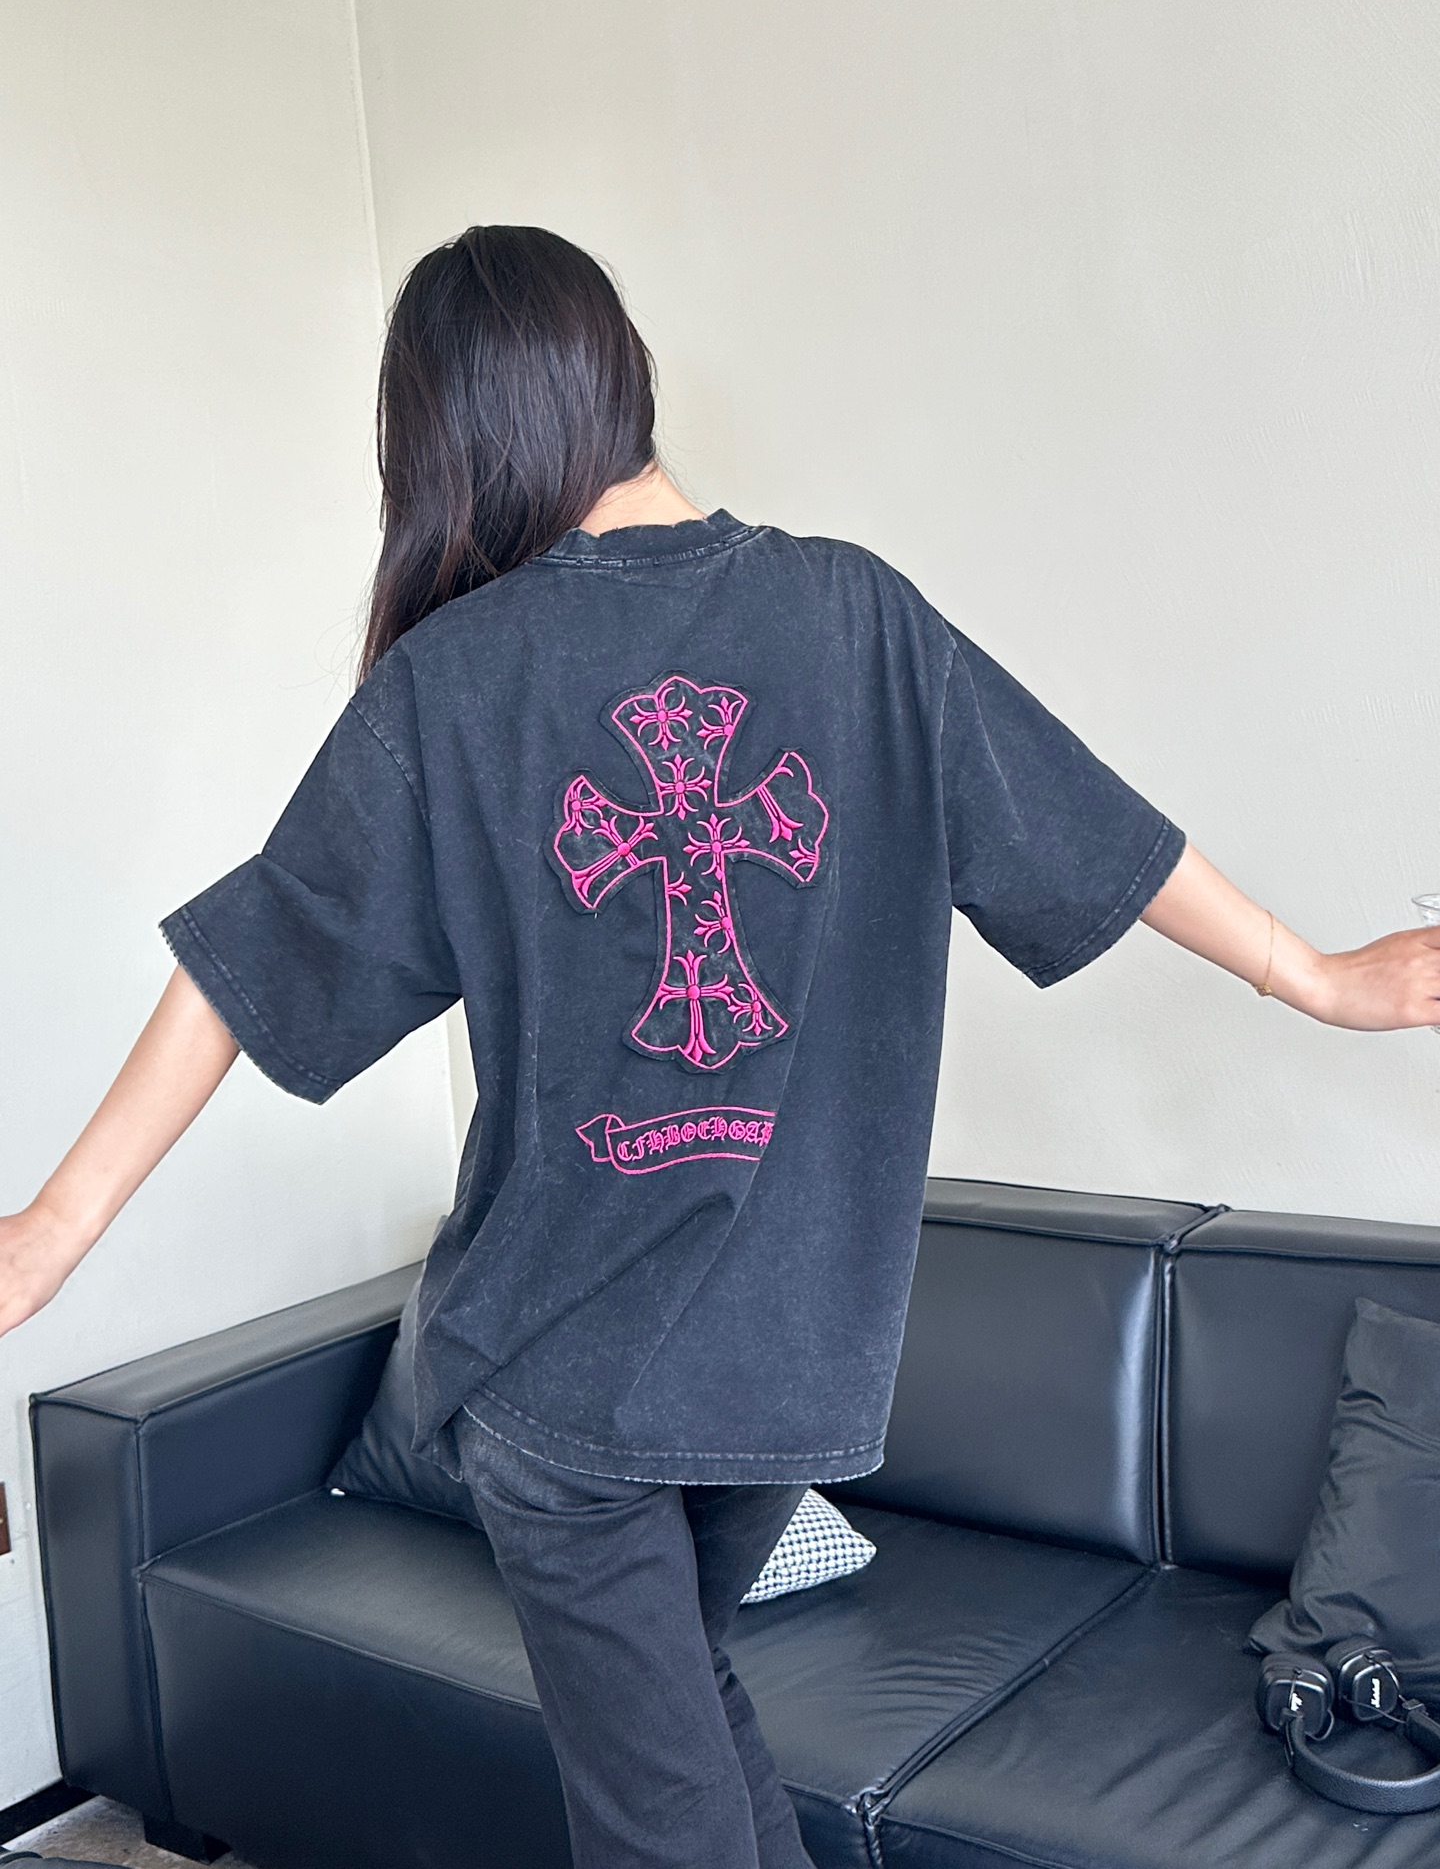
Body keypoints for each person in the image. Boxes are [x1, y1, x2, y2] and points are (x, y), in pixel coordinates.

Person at [2, 226, 1437, 1869]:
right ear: (620, 379)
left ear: (446, 436)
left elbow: (250, 965)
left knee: (660, 1818)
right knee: (692, 1745)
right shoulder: (855, 616)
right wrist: (1318, 979)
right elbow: (1088, 830)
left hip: (565, 1392)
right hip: (795, 1373)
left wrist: (52, 1228)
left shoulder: (457, 685)